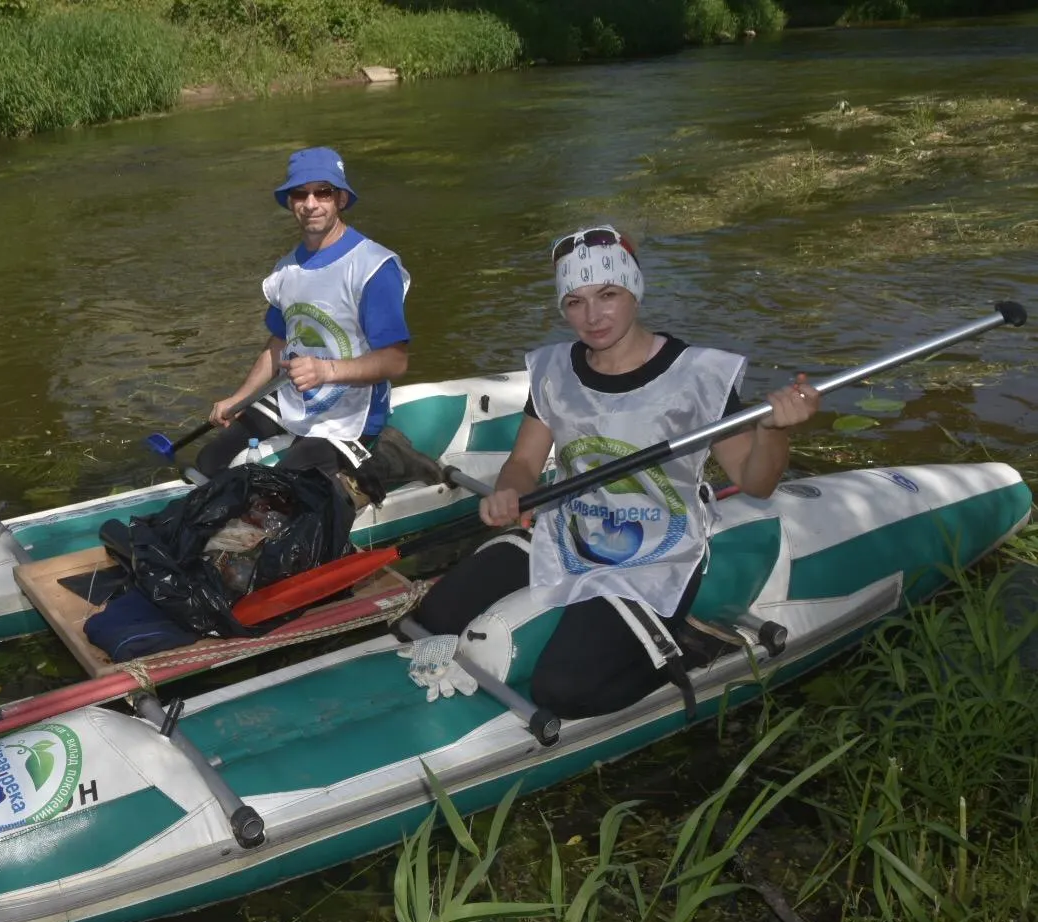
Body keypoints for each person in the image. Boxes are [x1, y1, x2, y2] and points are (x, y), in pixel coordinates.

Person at [410, 224, 822, 718]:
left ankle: (685, 648)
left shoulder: (697, 376)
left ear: (634, 291)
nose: (592, 315)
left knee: (563, 691)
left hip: (656, 556)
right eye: (574, 302)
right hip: (567, 533)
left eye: (608, 294)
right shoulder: (553, 370)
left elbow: (757, 482)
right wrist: (509, 493)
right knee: (436, 617)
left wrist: (775, 430)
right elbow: (522, 463)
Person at [196, 147, 412, 490]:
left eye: (322, 192)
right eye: (300, 193)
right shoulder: (286, 269)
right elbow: (280, 344)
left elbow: (396, 361)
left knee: (281, 489)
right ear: (290, 202)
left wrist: (325, 371)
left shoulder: (373, 267)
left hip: (351, 416)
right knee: (208, 462)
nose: (311, 203)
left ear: (341, 199)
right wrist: (239, 399)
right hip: (294, 400)